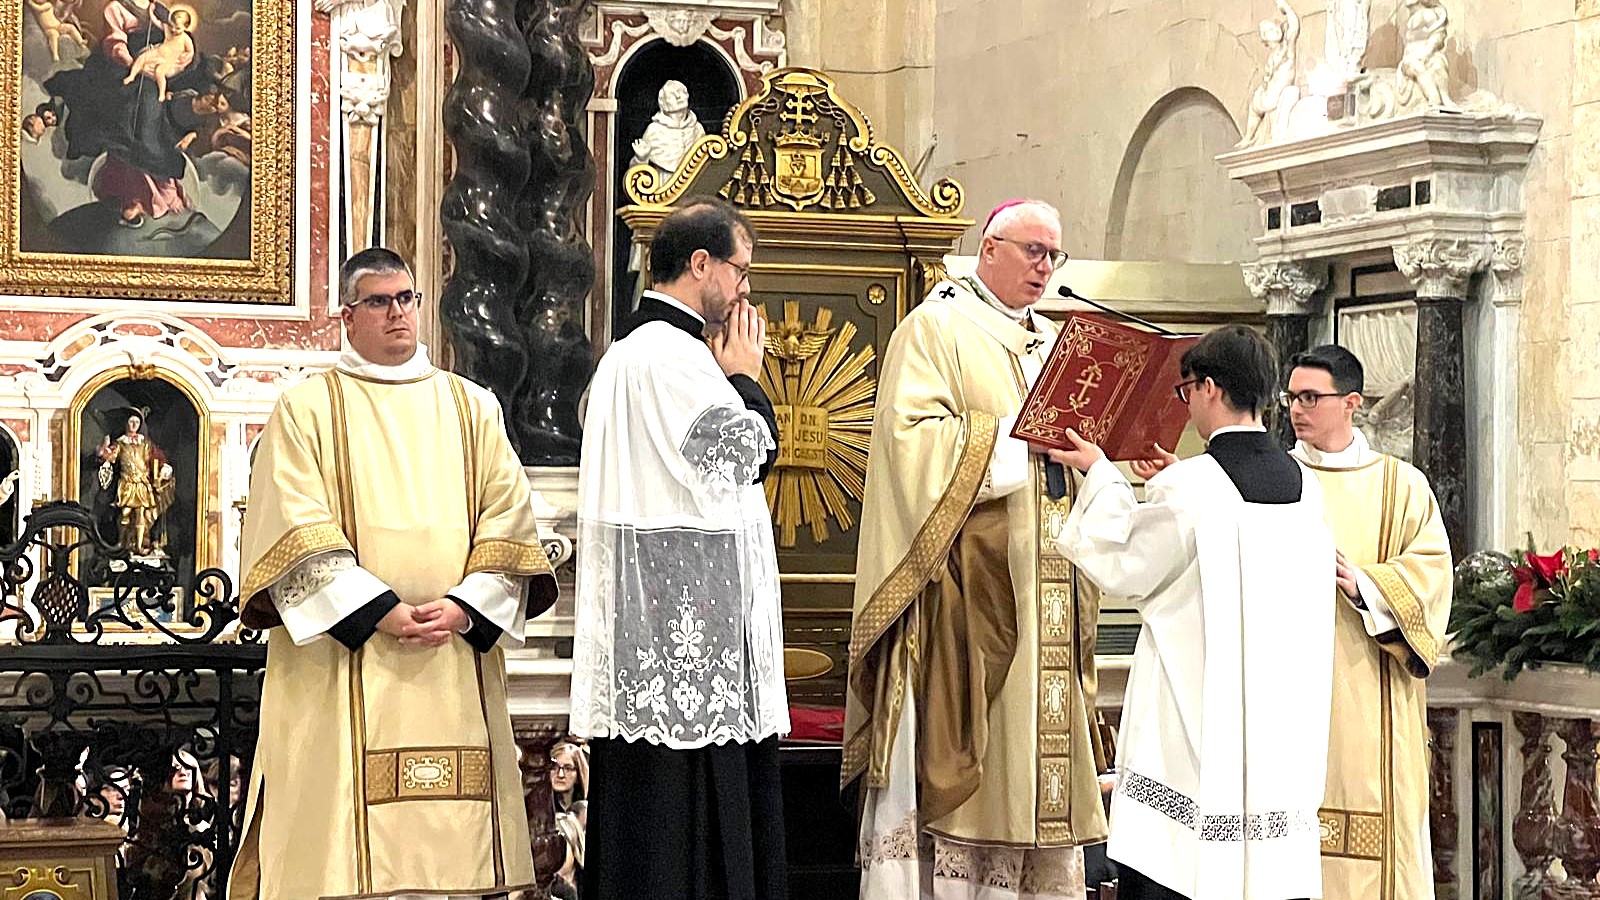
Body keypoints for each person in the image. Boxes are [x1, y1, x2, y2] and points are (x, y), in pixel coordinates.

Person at [226, 247, 559, 900]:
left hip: (450, 652)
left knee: (448, 862)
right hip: (342, 659)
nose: (398, 313)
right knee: (338, 864)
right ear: (347, 317)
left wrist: (467, 604)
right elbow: (293, 526)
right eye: (379, 301)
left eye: (407, 298)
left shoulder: (472, 407)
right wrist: (377, 609)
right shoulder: (307, 409)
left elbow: (509, 518)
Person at [846, 199, 1106, 900]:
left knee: (1041, 771)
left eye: (1054, 255)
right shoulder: (935, 328)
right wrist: (1011, 442)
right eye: (1032, 251)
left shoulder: (1057, 345)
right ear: (988, 250)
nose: (1045, 267)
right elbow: (910, 444)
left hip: (1052, 576)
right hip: (970, 593)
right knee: (980, 761)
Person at [1049, 324, 1337, 900]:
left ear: (1207, 388)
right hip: (1281, 735)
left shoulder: (1193, 485)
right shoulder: (1306, 485)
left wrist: (1100, 473)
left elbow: (1123, 560)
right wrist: (1169, 488)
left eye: (1186, 392)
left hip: (1196, 734)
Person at [571, 198, 787, 900]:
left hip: (668, 638)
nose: (745, 290)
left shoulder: (636, 355)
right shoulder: (669, 356)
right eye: (740, 271)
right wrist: (747, 379)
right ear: (701, 265)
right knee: (685, 852)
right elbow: (745, 455)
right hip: (685, 650)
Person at [1284, 345, 1452, 900]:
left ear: (1352, 402)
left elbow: (1432, 572)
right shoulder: (1275, 480)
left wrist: (1368, 585)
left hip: (1372, 694)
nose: (1296, 409)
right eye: (1291, 397)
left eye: (1311, 397)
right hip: (1285, 692)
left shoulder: (1400, 485)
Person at [96, 412, 176, 558]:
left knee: (141, 515)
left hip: (142, 484)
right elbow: (111, 457)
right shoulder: (121, 442)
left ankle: (139, 546)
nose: (134, 425)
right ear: (126, 423)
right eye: (131, 421)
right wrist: (104, 451)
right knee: (125, 514)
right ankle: (123, 543)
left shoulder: (145, 443)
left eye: (136, 422)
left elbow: (156, 457)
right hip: (127, 484)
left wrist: (164, 468)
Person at [121, 7, 196, 102]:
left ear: (186, 27)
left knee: (159, 72)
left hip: (169, 59)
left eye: (177, 28)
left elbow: (190, 52)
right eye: (172, 25)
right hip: (158, 52)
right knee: (141, 58)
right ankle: (131, 76)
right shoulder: (168, 29)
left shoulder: (186, 39)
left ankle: (161, 93)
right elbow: (156, 22)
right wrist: (151, 11)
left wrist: (186, 56)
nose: (173, 30)